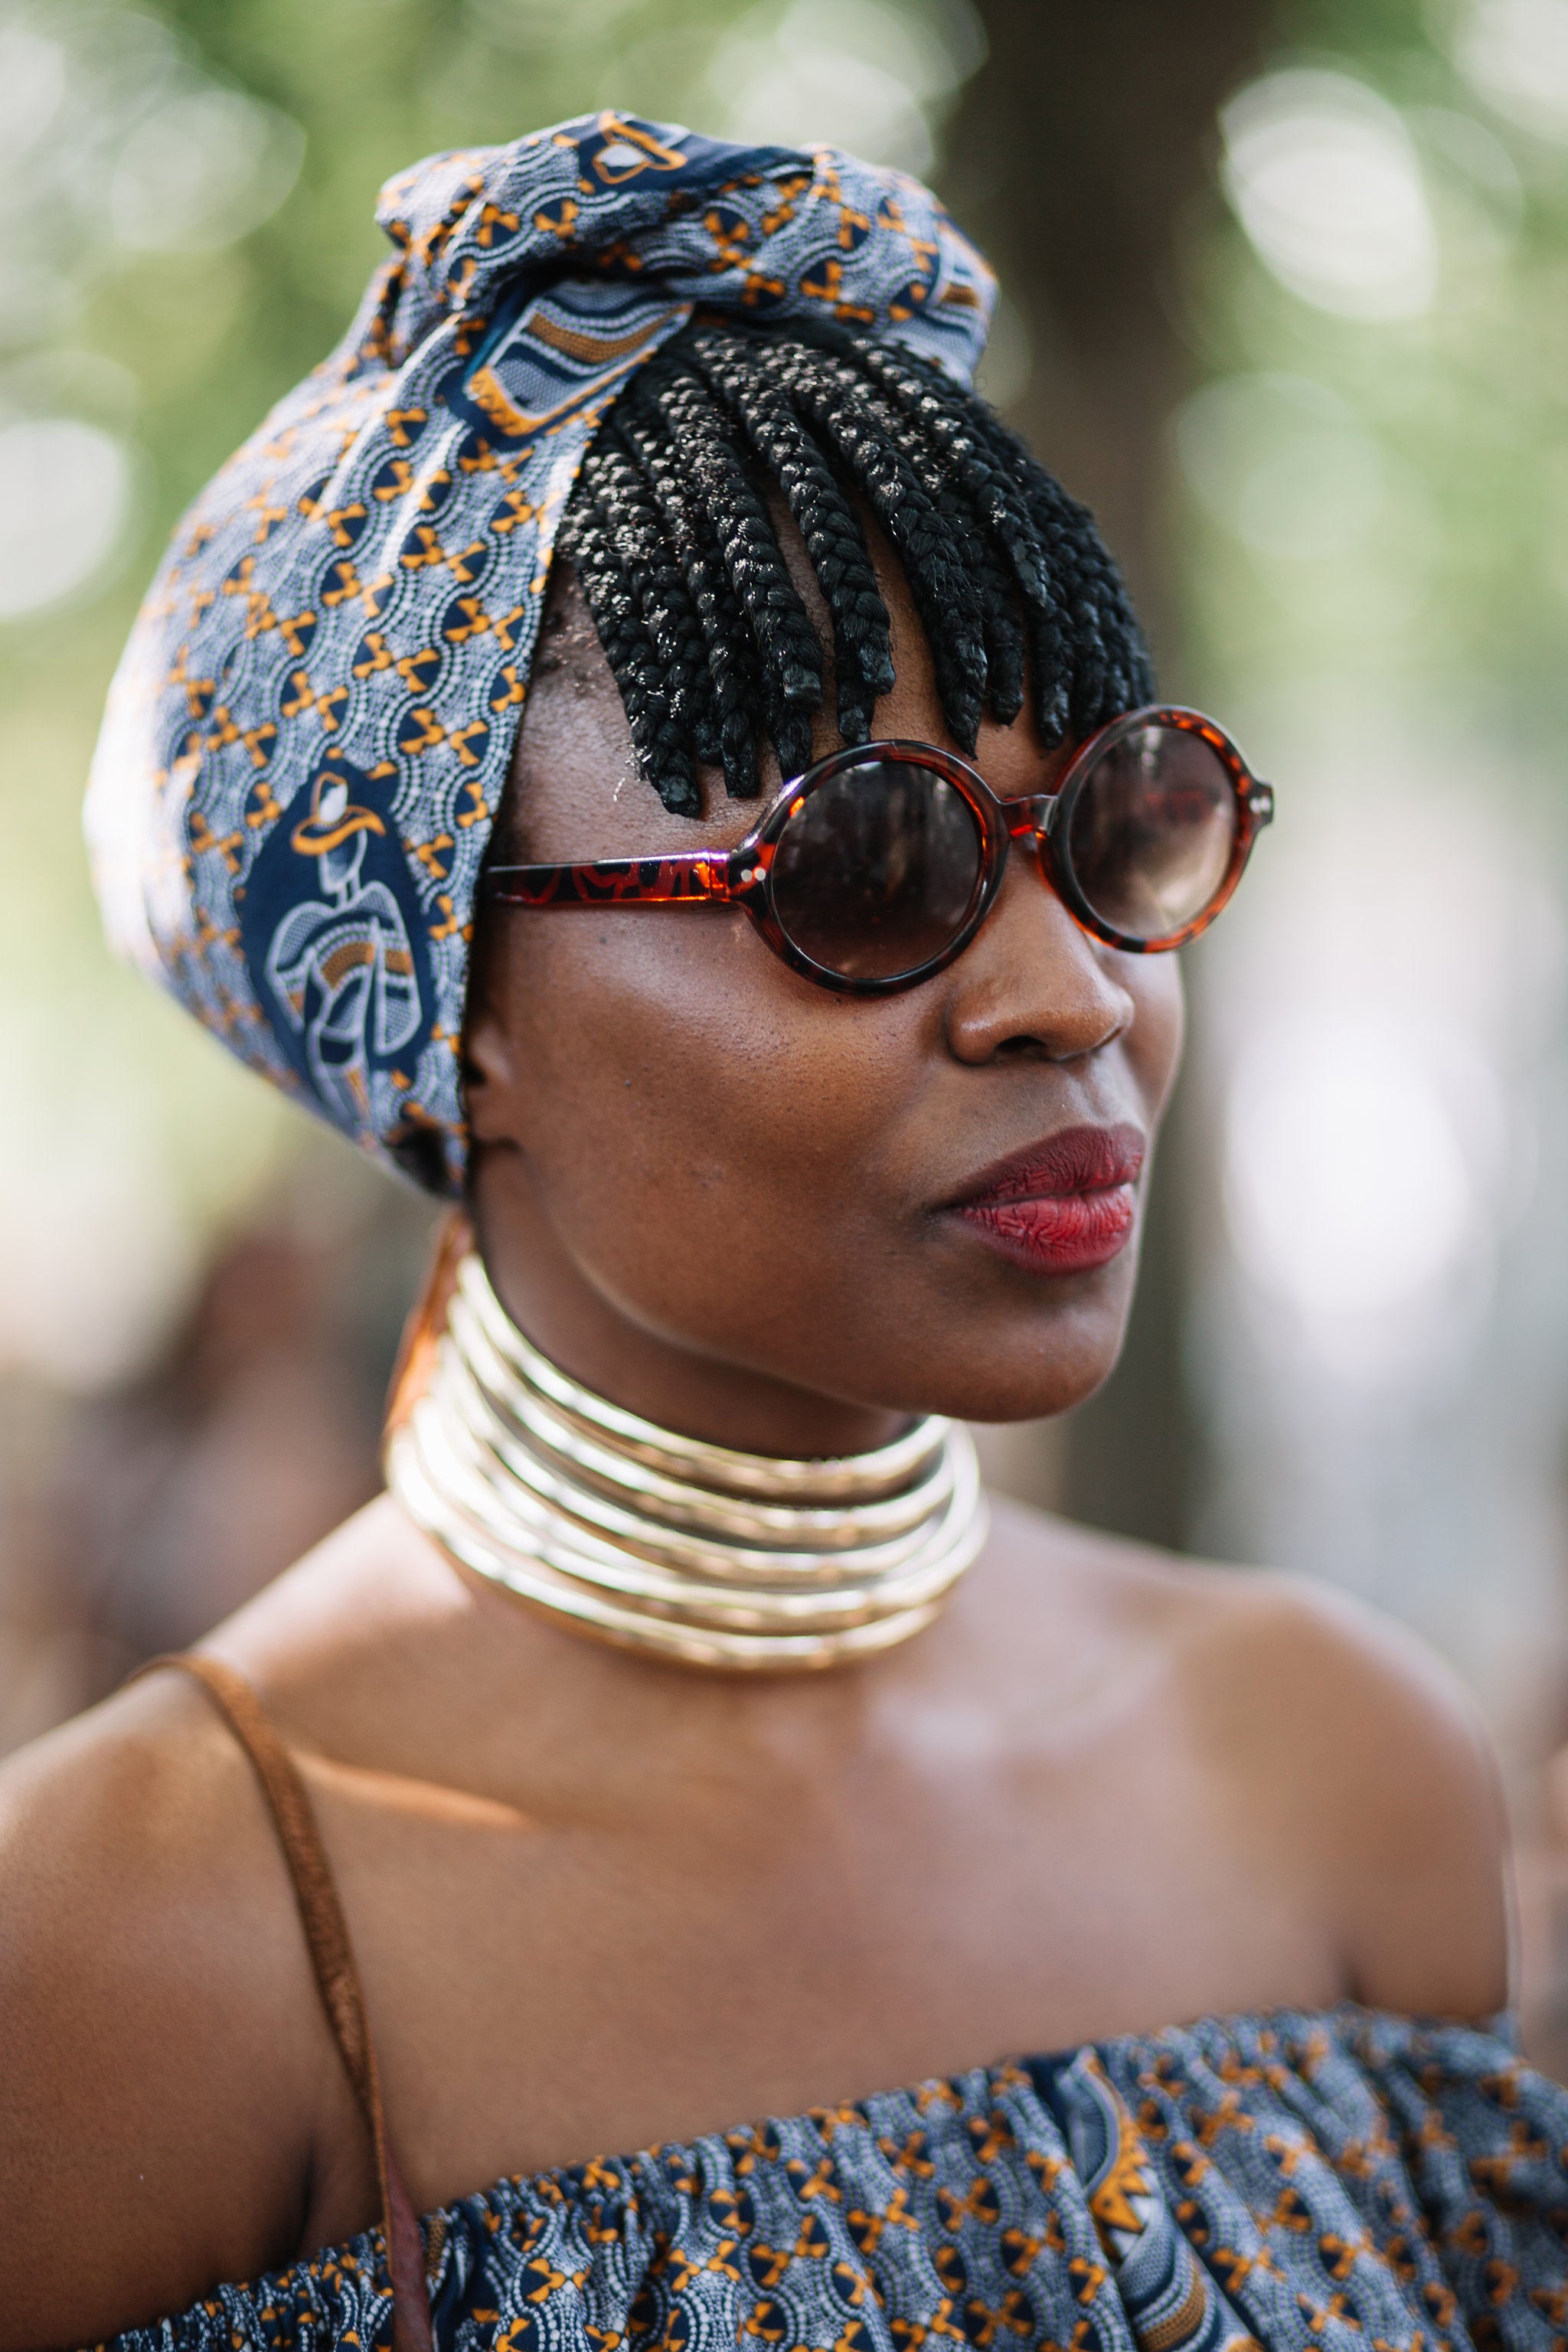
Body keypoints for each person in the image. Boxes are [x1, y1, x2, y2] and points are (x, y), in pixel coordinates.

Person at [0, 112, 1550, 2352]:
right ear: (447, 1001)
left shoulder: (1341, 1775)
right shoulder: (133, 1958)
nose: (1073, 993)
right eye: (868, 871)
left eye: (1117, 828)